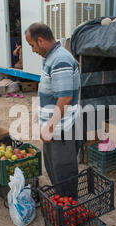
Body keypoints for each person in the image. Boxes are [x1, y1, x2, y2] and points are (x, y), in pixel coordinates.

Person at [25, 23, 81, 194]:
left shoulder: (60, 60)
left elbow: (65, 98)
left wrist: (49, 127)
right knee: (55, 170)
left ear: (40, 40)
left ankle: (68, 209)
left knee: (64, 173)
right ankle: (62, 203)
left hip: (61, 130)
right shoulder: (52, 57)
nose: (33, 50)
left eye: (32, 45)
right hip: (55, 127)